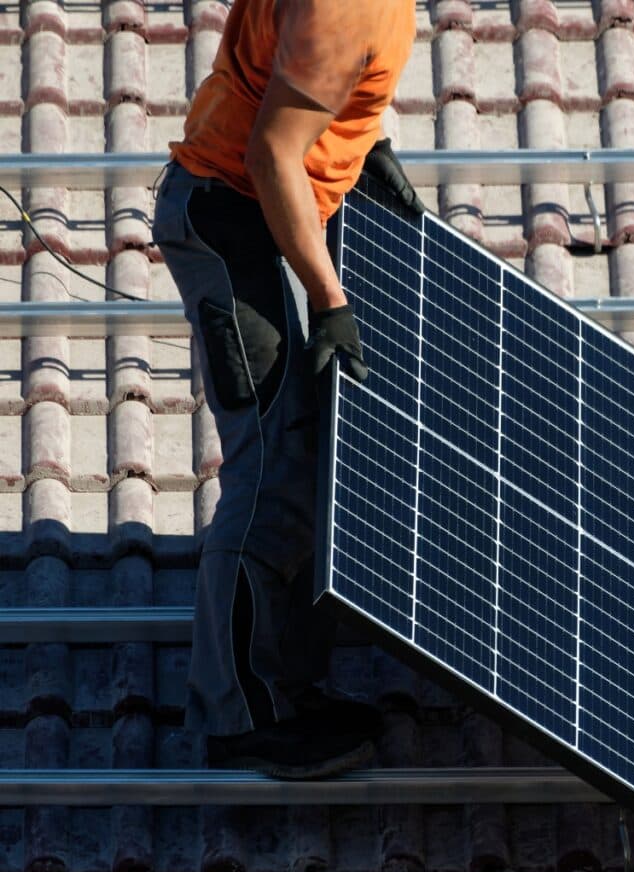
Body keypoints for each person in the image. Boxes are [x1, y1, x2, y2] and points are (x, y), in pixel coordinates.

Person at [152, 0, 423, 779]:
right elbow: (274, 153)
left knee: (311, 453)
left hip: (266, 204)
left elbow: (303, 78)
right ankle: (239, 714)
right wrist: (330, 301)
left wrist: (363, 140)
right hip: (233, 217)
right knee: (275, 466)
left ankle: (290, 681)